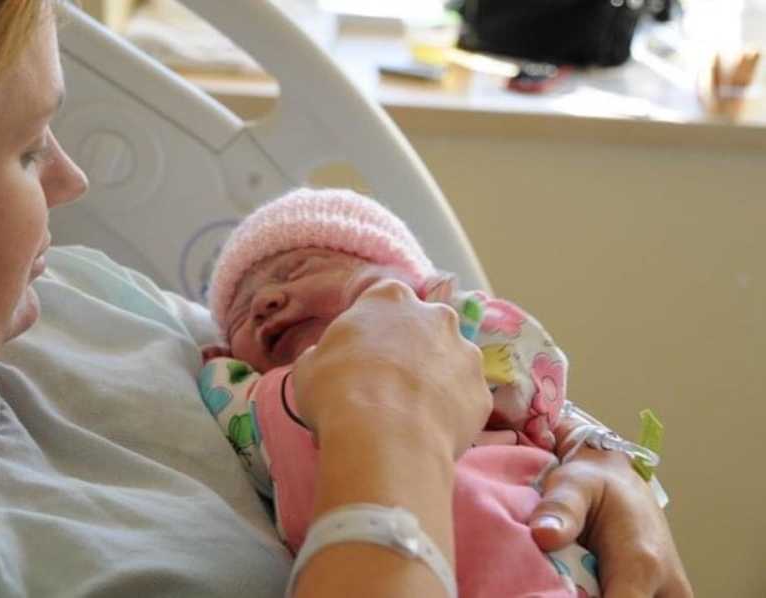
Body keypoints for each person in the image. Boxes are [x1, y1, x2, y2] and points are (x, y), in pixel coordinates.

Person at [0, 1, 692, 597]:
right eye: (24, 150)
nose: (70, 179)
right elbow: (379, 386)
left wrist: (598, 461)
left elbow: (410, 370)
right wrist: (390, 426)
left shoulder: (89, 297)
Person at [200, 187, 606, 596]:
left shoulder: (455, 340)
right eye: (241, 315)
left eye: (297, 270)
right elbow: (231, 423)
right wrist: (219, 367)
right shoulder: (261, 398)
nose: (265, 301)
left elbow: (531, 374)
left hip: (530, 555)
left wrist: (425, 303)